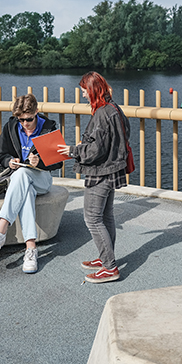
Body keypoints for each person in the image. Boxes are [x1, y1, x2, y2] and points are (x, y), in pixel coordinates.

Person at [0, 94, 63, 273]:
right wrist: (9, 161)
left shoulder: (49, 127)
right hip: (22, 182)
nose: (25, 123)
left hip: (42, 178)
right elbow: (0, 155)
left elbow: (58, 162)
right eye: (21, 120)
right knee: (26, 190)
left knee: (23, 174)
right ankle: (31, 248)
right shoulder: (11, 127)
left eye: (29, 119)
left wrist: (39, 162)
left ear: (37, 112)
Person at [57, 71, 129, 283]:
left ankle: (109, 267)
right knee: (106, 216)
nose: (83, 96)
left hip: (101, 171)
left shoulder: (101, 114)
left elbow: (96, 149)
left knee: (92, 218)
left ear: (92, 90)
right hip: (113, 168)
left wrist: (72, 151)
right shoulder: (114, 108)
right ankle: (106, 258)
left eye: (84, 92)